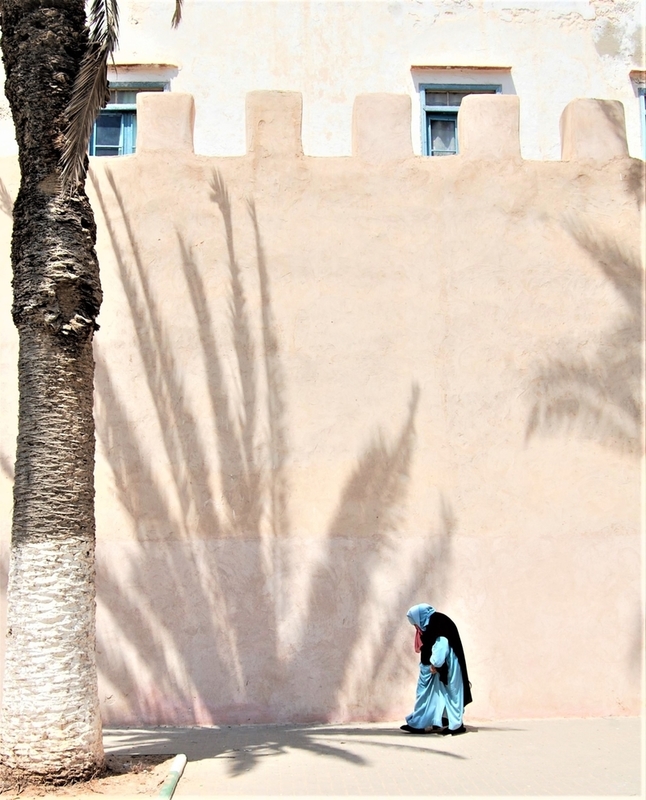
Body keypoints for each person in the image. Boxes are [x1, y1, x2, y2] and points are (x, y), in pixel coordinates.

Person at [400, 603, 472, 735]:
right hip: (441, 666)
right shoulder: (432, 622)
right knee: (433, 695)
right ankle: (420, 723)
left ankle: (456, 726)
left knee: (452, 693)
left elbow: (441, 644)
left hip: (449, 664)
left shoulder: (438, 622)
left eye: (415, 623)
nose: (417, 627)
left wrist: (435, 664)